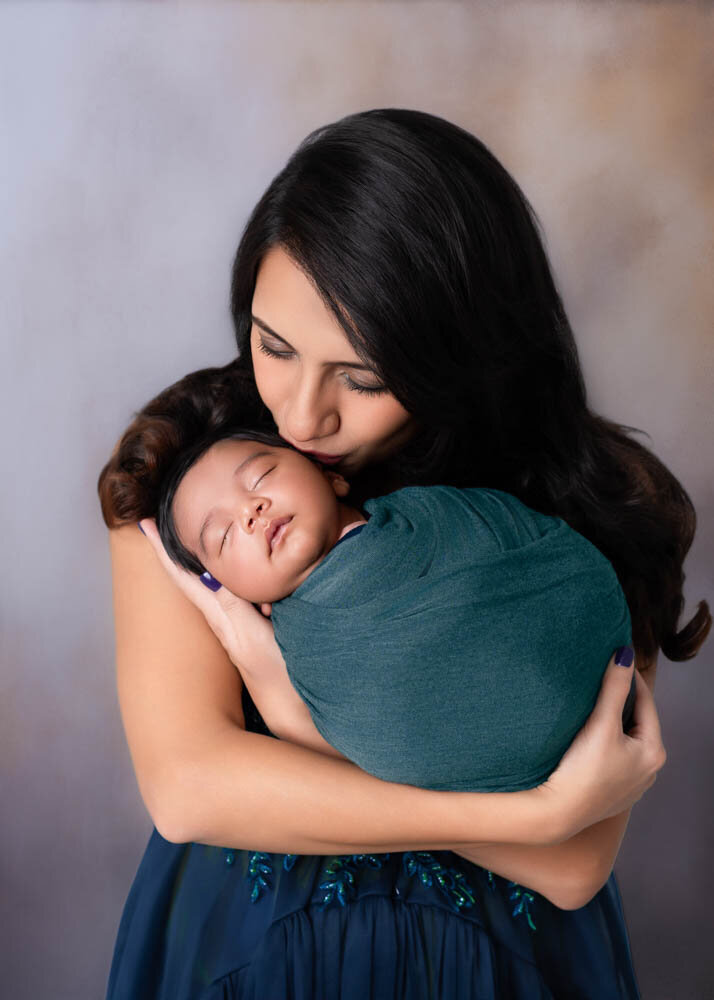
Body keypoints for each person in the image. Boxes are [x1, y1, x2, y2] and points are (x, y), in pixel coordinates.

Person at [98, 109, 710, 999]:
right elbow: (192, 787)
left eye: (365, 377)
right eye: (275, 346)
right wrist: (533, 815)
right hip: (256, 960)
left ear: (460, 352)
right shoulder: (192, 471)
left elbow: (576, 866)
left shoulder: (588, 504)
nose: (304, 417)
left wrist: (299, 726)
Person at [154, 424, 639, 792]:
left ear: (332, 476)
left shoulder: (433, 514)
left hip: (584, 672)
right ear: (241, 594)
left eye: (261, 475)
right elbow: (381, 724)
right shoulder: (302, 649)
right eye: (223, 535)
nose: (250, 510)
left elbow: (544, 547)